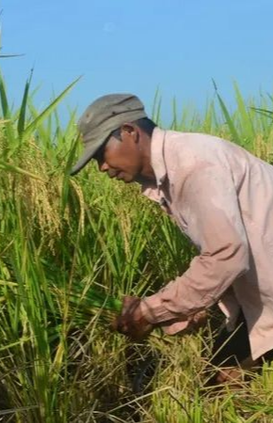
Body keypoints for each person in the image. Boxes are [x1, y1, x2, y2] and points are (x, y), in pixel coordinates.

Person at [70, 93, 273, 384]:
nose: (101, 167)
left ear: (129, 131)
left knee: (221, 390)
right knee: (221, 387)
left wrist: (150, 311)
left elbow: (225, 256)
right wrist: (190, 307)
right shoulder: (173, 175)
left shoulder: (194, 165)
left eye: (102, 153)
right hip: (260, 300)